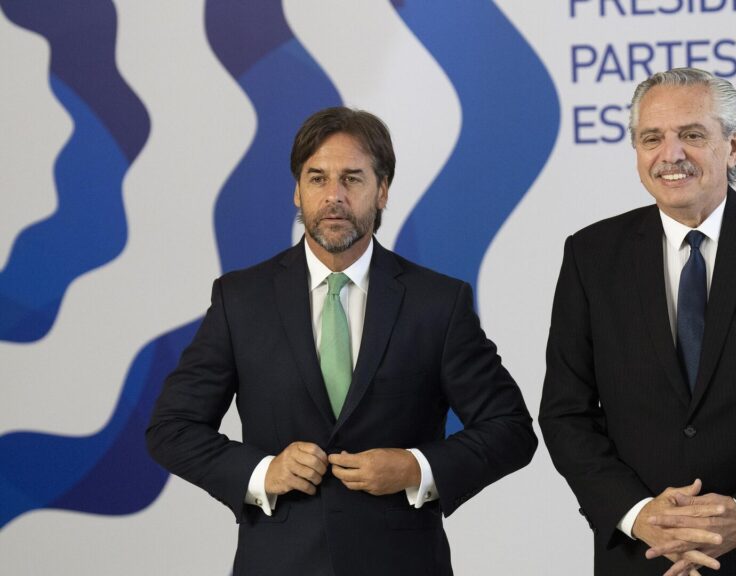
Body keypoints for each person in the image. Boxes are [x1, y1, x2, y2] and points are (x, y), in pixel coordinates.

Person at [147, 106, 537, 576]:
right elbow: (172, 428)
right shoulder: (240, 299)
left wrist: (416, 469)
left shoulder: (438, 302)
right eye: (317, 179)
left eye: (352, 179)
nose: (333, 196)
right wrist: (261, 473)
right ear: (297, 191)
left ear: (382, 190)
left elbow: (510, 429)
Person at [539, 68, 736, 576]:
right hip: (647, 555)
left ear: (733, 145)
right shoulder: (591, 256)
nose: (670, 154)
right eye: (652, 138)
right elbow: (566, 413)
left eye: (692, 135)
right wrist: (638, 515)